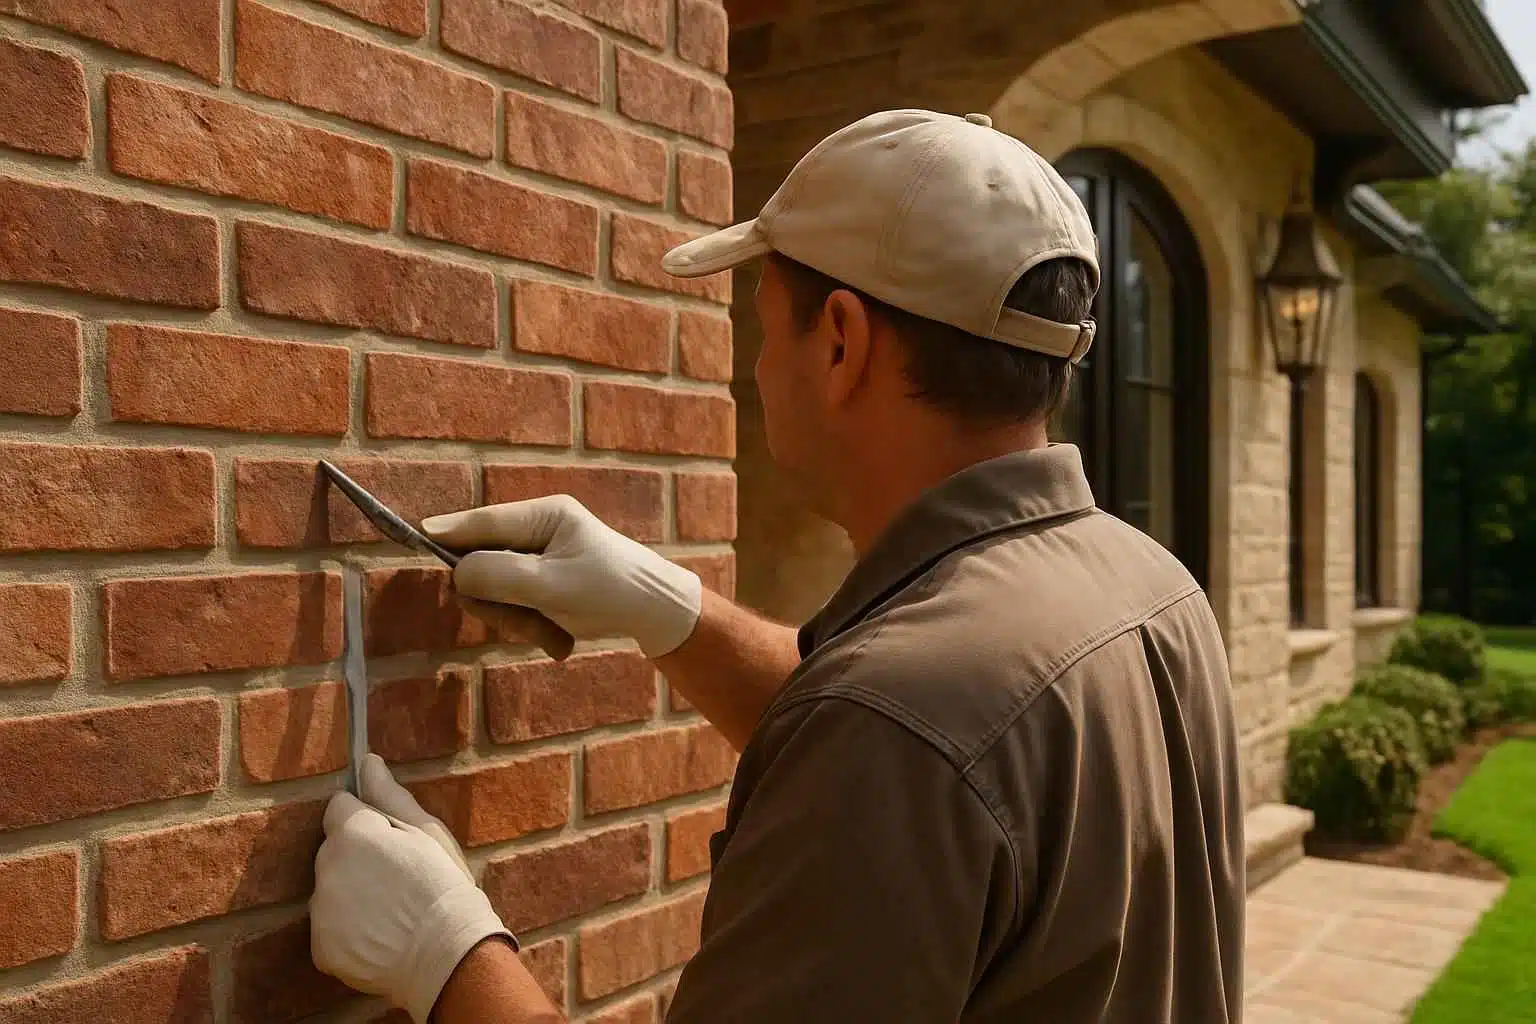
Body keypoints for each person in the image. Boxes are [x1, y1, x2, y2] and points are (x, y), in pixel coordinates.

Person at [309, 108, 1245, 1024]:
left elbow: (907, 747)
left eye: (762, 331)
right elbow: (954, 770)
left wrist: (450, 958)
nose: (756, 373)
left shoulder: (897, 719)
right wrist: (669, 611)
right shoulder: (1156, 589)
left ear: (841, 342)